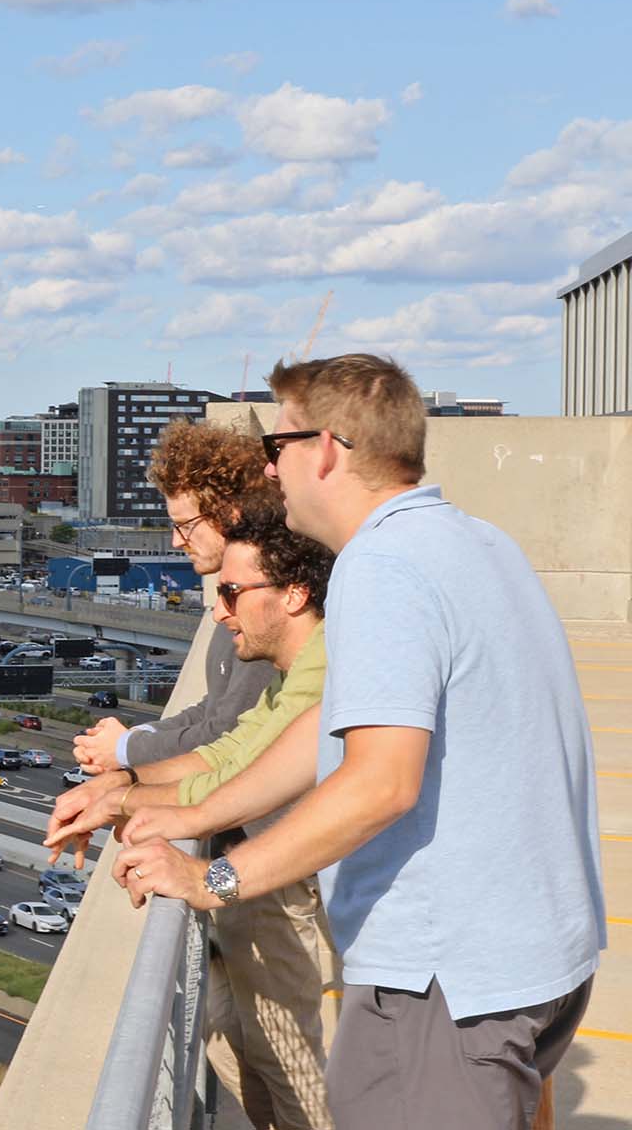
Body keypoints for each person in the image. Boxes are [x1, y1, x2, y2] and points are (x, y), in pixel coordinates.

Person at [117, 353, 604, 1130]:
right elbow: (327, 730)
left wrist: (216, 879)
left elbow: (382, 781)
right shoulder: (480, 544)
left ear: (327, 449)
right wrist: (183, 814)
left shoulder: (383, 566)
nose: (268, 473)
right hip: (538, 960)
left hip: (444, 983)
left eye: (278, 448)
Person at [49, 507, 338, 1129]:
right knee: (262, 1057)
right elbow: (224, 754)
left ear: (294, 594)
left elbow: (240, 778)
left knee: (300, 1078)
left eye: (232, 593)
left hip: (423, 963)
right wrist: (118, 787)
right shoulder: (294, 676)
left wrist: (125, 803)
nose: (218, 611)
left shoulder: (325, 683)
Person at [59, 419, 282, 862]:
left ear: (228, 513)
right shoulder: (239, 599)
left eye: (184, 525)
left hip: (265, 856)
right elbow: (218, 716)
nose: (175, 541)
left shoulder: (266, 608)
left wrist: (124, 753)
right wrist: (128, 746)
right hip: (248, 849)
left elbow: (227, 734)